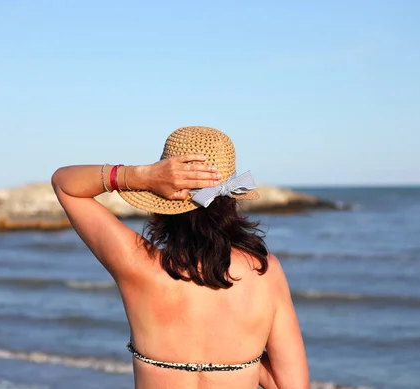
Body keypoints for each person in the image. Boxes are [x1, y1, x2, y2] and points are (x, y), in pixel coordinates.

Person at [51, 126, 309, 389]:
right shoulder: (265, 273)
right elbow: (292, 385)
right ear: (230, 198)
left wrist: (140, 176)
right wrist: (243, 356)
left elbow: (65, 184)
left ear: (160, 200)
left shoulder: (138, 264)